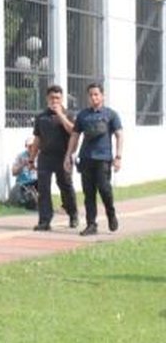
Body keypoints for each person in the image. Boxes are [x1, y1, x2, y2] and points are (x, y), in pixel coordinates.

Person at [66, 82, 124, 236]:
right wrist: (68, 156)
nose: (93, 97)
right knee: (88, 193)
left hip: (103, 159)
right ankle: (91, 224)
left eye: (96, 94)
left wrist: (118, 157)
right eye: (91, 95)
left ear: (102, 96)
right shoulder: (83, 115)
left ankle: (111, 214)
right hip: (86, 159)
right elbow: (75, 136)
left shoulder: (111, 114)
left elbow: (119, 135)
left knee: (105, 190)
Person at [28, 85, 78, 231]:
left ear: (62, 99)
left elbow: (73, 131)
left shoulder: (68, 114)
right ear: (47, 99)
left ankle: (73, 214)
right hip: (45, 157)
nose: (54, 101)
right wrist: (32, 159)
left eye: (57, 98)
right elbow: (37, 139)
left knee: (65, 186)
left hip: (63, 156)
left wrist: (60, 115)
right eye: (52, 98)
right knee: (43, 189)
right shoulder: (41, 117)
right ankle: (44, 220)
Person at [10, 138, 40, 210]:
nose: (31, 148)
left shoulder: (40, 155)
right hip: (23, 182)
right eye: (29, 146)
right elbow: (13, 172)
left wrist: (34, 167)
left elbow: (44, 171)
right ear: (26, 146)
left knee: (43, 182)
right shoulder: (20, 156)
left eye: (33, 146)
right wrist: (22, 165)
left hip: (35, 180)